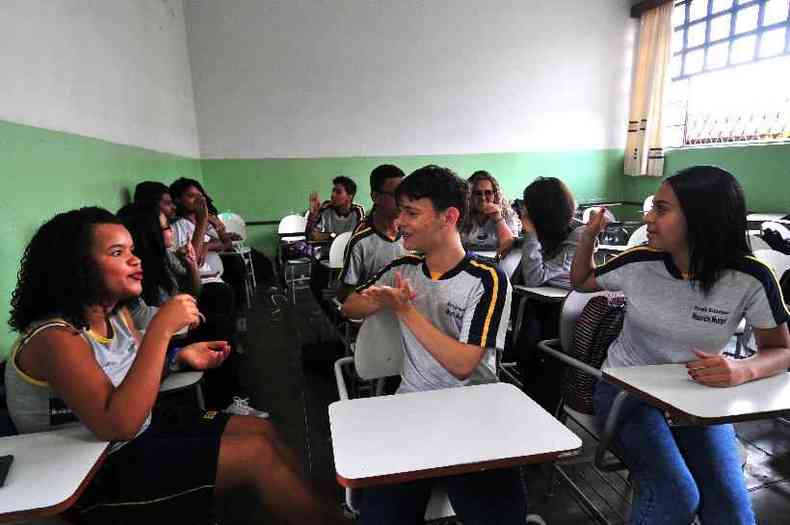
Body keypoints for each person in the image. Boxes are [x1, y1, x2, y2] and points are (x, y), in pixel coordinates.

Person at [5, 207, 349, 524]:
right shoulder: (55, 338)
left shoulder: (115, 313)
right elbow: (118, 424)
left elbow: (138, 377)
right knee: (256, 455)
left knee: (261, 430)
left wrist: (178, 357)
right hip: (90, 472)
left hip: (140, 431)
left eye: (131, 250)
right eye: (116, 253)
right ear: (76, 267)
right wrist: (160, 331)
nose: (134, 260)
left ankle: (328, 512)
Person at [572, 166, 790, 524]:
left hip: (698, 398)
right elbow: (581, 282)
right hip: (625, 391)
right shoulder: (638, 261)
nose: (648, 218)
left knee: (731, 510)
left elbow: (781, 350)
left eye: (661, 209)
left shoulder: (750, 277)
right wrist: (588, 238)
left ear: (701, 218)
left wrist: (741, 369)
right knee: (675, 494)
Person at [342, 165, 526, 525]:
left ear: (449, 217)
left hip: (475, 411)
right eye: (401, 211)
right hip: (412, 408)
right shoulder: (405, 266)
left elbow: (462, 364)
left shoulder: (487, 279)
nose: (401, 221)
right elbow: (349, 305)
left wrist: (406, 310)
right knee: (380, 516)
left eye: (412, 212)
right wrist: (379, 299)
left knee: (499, 517)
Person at [117, 203, 266, 417]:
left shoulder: (165, 256)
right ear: (149, 235)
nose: (172, 230)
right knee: (216, 325)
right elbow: (140, 317)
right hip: (159, 335)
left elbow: (192, 291)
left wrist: (191, 267)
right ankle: (223, 402)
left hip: (174, 325)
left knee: (220, 302)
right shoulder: (134, 270)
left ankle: (232, 388)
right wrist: (175, 314)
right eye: (166, 227)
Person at [513, 177, 584, 411]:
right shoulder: (547, 230)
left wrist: (530, 233)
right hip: (539, 301)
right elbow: (538, 277)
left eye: (527, 207)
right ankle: (528, 396)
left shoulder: (579, 233)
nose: (523, 211)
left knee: (534, 344)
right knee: (526, 342)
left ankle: (541, 404)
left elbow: (535, 275)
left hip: (568, 307)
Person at [336, 164, 406, 302]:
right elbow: (346, 295)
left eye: (405, 194)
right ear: (376, 197)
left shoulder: (411, 233)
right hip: (373, 314)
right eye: (395, 195)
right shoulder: (361, 241)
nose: (402, 201)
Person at [460, 170, 521, 258]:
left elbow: (510, 247)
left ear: (495, 195)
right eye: (478, 193)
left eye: (488, 192)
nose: (483, 198)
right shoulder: (461, 216)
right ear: (469, 196)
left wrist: (498, 219)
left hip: (498, 263)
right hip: (468, 263)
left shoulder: (508, 214)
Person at [306, 176, 365, 242]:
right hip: (327, 251)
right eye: (333, 190)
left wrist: (329, 236)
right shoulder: (326, 207)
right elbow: (310, 236)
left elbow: (359, 238)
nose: (333, 195)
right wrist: (313, 214)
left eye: (338, 192)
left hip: (347, 251)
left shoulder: (357, 211)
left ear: (349, 197)